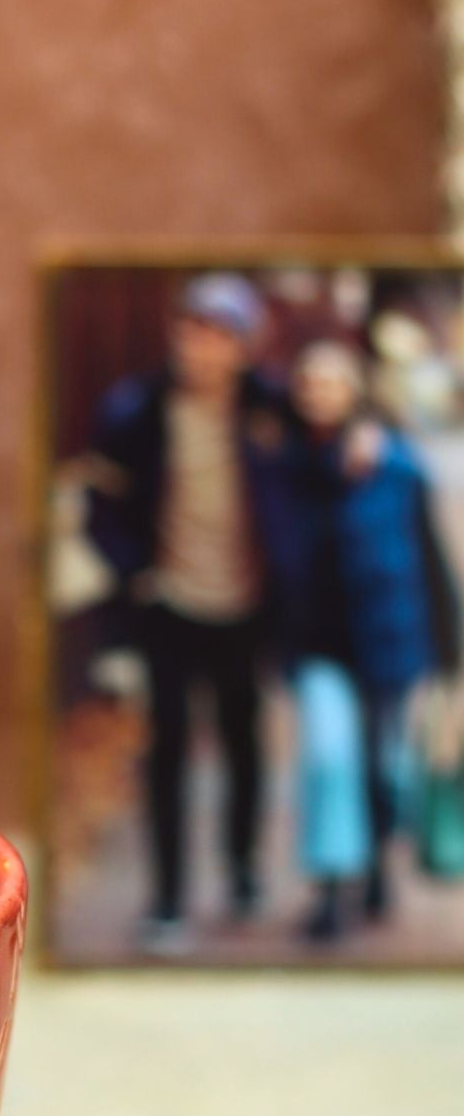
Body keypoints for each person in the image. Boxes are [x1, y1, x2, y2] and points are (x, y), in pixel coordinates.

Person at [84, 273, 286, 953]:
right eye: (191, 330)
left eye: (219, 335)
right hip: (168, 604)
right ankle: (167, 898)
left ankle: (243, 873)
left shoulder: (269, 408)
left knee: (244, 746)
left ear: (244, 347)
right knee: (166, 752)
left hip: (246, 607)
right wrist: (134, 572)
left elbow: (328, 451)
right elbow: (100, 502)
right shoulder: (136, 410)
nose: (201, 347)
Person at [249, 341, 461, 940]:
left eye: (333, 382)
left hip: (387, 641)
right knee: (328, 759)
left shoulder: (396, 466)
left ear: (356, 391)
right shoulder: (281, 467)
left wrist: (450, 651)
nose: (319, 394)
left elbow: (429, 555)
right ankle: (332, 890)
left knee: (382, 768)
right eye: (309, 383)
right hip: (317, 644)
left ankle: (375, 866)